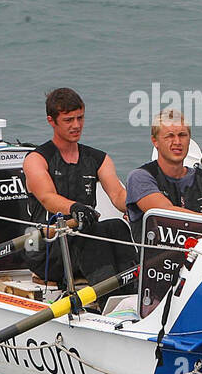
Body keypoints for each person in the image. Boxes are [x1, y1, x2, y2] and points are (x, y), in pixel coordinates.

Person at [23, 87, 137, 288]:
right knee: (93, 237)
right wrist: (75, 208)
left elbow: (118, 194)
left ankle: (133, 295)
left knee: (117, 227)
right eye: (68, 120)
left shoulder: (98, 159)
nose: (76, 125)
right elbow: (48, 197)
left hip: (82, 236)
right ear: (51, 121)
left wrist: (137, 206)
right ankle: (107, 300)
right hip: (46, 248)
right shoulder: (36, 159)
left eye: (80, 118)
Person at [126, 108, 202, 239]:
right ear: (155, 141)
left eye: (182, 135)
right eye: (169, 136)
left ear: (189, 139)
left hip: (200, 256)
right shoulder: (140, 177)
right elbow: (164, 214)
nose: (177, 142)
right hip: (154, 257)